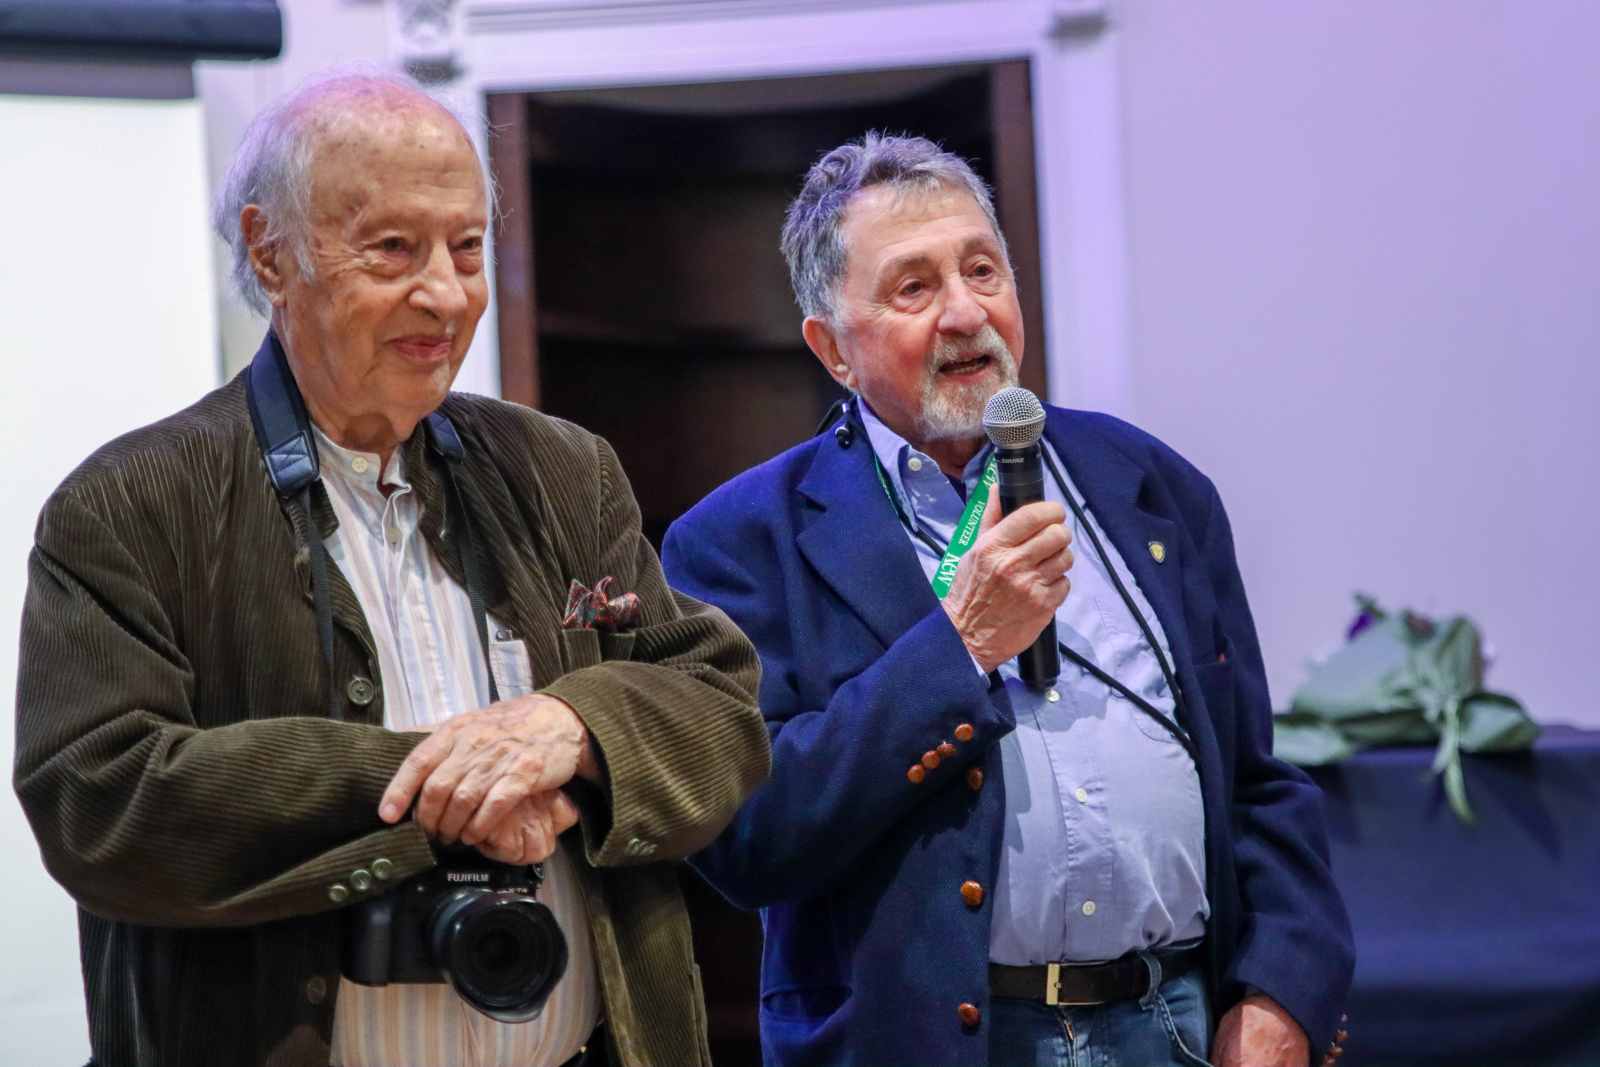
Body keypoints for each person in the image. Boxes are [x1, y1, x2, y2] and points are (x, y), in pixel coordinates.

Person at [12, 71, 769, 1067]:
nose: (446, 294)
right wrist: (449, 783)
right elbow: (98, 798)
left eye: (467, 248)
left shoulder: (563, 469)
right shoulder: (129, 503)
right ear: (270, 253)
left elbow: (718, 708)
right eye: (394, 249)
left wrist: (571, 728)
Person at [661, 133, 1354, 1067]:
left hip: (1177, 1023)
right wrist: (959, 646)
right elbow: (751, 836)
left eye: (983, 270)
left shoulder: (1151, 484)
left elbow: (1256, 781)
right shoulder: (740, 541)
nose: (965, 312)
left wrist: (1281, 992)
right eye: (914, 288)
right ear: (832, 349)